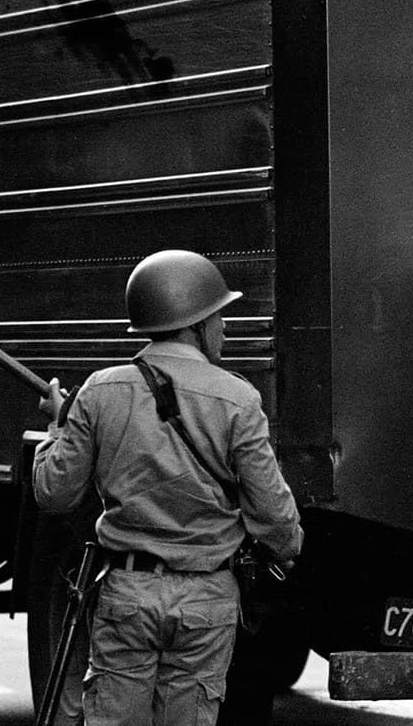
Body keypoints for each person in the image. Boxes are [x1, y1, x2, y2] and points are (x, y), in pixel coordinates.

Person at [32, 249, 304, 726]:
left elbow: (55, 493)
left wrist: (58, 427)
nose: (225, 329)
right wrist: (287, 550)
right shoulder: (238, 398)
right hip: (206, 598)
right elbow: (273, 514)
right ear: (194, 324)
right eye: (219, 316)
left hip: (127, 594)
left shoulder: (100, 390)